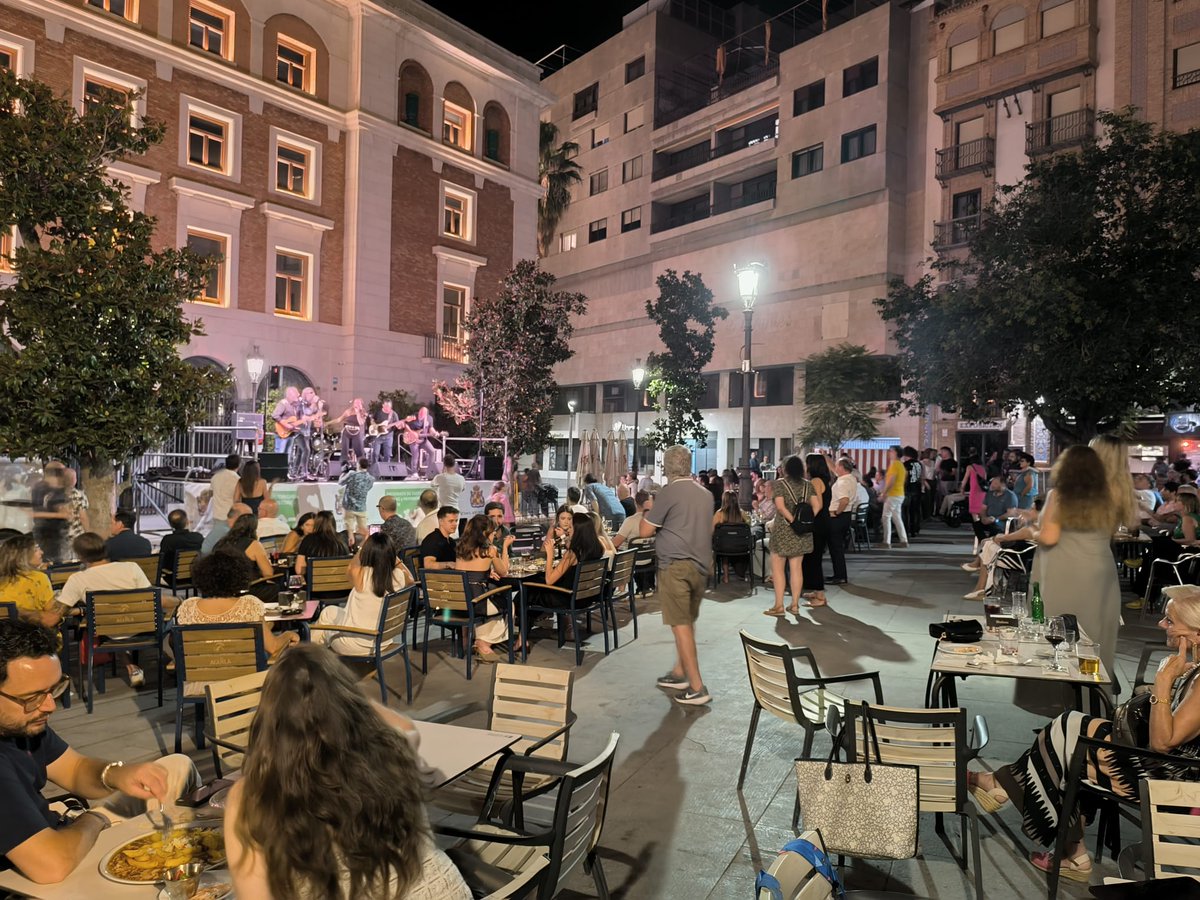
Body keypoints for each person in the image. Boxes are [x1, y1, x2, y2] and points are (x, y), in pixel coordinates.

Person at [966, 585, 1200, 882]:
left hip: (1166, 779)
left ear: (1196, 634)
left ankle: (1061, 841)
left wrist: (1163, 682)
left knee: (1066, 741)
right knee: (1071, 729)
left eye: (1170, 620)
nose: (1161, 624)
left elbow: (1163, 743)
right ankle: (1065, 846)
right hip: (1157, 763)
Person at [223, 643, 471, 900]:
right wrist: (347, 697)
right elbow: (408, 728)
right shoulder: (390, 750)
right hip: (448, 891)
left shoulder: (250, 798)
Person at [0, 619, 199, 883]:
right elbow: (52, 866)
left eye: (53, 690)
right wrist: (95, 819)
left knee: (175, 767)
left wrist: (115, 774)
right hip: (40, 871)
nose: (50, 706)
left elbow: (73, 768)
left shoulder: (20, 723)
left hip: (60, 832)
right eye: (33, 697)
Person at [1029, 443, 1129, 676]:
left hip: (1064, 569)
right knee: (1095, 628)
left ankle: (1059, 682)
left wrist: (1032, 532)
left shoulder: (1059, 496)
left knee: (1058, 626)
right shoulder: (1111, 496)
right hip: (1100, 569)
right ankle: (1094, 683)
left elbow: (1049, 537)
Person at [640, 445, 715, 706]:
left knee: (681, 626)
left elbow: (645, 531)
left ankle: (697, 687)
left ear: (667, 467)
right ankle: (679, 672)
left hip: (675, 566)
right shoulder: (705, 494)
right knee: (688, 622)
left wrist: (650, 508)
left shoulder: (669, 492)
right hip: (700, 565)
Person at [55, 533, 152, 686]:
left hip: (107, 632)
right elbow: (151, 598)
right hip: (141, 627)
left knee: (106, 625)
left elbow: (59, 611)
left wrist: (81, 611)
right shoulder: (131, 567)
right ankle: (134, 667)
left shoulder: (78, 579)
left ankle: (131, 667)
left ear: (80, 556)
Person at [176, 550, 297, 659]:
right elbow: (273, 647)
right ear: (238, 577)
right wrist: (288, 634)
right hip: (245, 676)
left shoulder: (188, 607)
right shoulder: (248, 605)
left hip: (199, 675)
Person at [313, 533, 413, 656]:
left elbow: (351, 567)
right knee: (328, 612)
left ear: (367, 552)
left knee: (323, 630)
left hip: (354, 645)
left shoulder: (364, 574)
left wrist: (362, 548)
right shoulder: (398, 575)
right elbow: (411, 580)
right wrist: (391, 555)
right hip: (383, 641)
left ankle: (309, 655)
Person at [764, 455, 822, 617]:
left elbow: (780, 507)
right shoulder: (808, 485)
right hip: (801, 533)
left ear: (785, 469)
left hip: (783, 530)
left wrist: (793, 521)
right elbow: (817, 506)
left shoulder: (780, 484)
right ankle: (795, 605)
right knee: (797, 568)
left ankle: (779, 606)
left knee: (778, 569)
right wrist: (805, 521)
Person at [452, 515, 515, 662]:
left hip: (459, 603)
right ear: (485, 533)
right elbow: (504, 571)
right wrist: (505, 548)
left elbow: (469, 572)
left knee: (492, 600)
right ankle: (483, 642)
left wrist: (487, 572)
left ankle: (477, 641)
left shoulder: (461, 549)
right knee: (509, 604)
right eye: (493, 532)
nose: (494, 535)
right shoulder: (489, 550)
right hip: (477, 603)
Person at [213, 514, 280, 603]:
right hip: (246, 590)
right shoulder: (254, 545)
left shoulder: (219, 544)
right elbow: (268, 572)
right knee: (277, 588)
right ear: (254, 529)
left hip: (221, 590)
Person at [0, 535, 56, 627]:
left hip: (5, 633)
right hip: (32, 633)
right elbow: (52, 617)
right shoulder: (37, 578)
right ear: (23, 555)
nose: (41, 552)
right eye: (36, 549)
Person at [801, 454, 833, 606]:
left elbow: (817, 505)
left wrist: (807, 519)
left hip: (817, 524)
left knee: (813, 559)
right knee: (815, 557)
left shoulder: (815, 481)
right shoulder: (825, 480)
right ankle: (816, 590)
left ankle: (820, 595)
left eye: (807, 463)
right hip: (824, 521)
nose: (805, 467)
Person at [827, 457, 858, 585]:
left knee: (836, 548)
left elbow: (844, 500)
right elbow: (834, 470)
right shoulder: (851, 478)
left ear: (841, 467)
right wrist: (825, 457)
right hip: (846, 516)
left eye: (837, 465)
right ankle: (838, 574)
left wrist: (836, 512)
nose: (835, 467)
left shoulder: (842, 482)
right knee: (837, 548)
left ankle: (840, 576)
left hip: (838, 517)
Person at [30, 463, 68, 563]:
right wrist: (59, 514)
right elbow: (37, 513)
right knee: (50, 560)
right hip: (47, 532)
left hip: (57, 532)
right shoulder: (41, 488)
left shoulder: (59, 488)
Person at [294, 510, 349, 577]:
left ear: (316, 523)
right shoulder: (343, 539)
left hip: (315, 582)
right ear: (333, 523)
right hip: (340, 582)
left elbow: (299, 570)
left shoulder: (308, 540)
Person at [712, 490, 749, 583]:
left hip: (723, 547)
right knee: (729, 543)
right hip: (740, 547)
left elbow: (712, 531)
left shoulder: (719, 514)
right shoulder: (742, 514)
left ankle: (726, 577)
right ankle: (742, 573)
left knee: (724, 544)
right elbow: (749, 527)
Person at [338, 457, 375, 551]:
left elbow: (340, 482)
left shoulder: (352, 474)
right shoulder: (371, 478)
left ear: (358, 464)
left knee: (349, 531)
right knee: (364, 531)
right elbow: (367, 489)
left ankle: (350, 549)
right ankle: (363, 548)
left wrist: (343, 472)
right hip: (361, 507)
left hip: (349, 507)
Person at [158, 509, 204, 577]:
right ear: (187, 522)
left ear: (171, 524)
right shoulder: (198, 537)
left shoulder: (168, 540)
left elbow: (162, 561)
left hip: (173, 577)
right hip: (194, 575)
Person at [881, 446, 909, 549]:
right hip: (900, 493)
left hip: (892, 494)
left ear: (896, 453)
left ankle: (886, 541)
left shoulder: (894, 465)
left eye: (891, 451)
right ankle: (903, 540)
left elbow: (891, 481)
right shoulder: (901, 465)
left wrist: (884, 493)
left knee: (886, 517)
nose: (889, 453)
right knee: (897, 517)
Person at [331, 397, 369, 468]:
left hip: (356, 432)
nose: (356, 404)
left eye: (358, 403)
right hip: (347, 431)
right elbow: (339, 419)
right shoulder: (348, 411)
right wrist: (328, 423)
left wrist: (358, 413)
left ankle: (361, 467)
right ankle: (343, 467)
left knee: (359, 451)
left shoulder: (364, 413)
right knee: (344, 451)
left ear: (361, 405)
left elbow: (361, 422)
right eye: (355, 403)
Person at [406, 406, 443, 478]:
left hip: (423, 440)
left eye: (422, 414)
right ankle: (414, 472)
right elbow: (406, 425)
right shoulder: (414, 416)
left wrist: (435, 433)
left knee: (432, 451)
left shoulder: (429, 418)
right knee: (415, 455)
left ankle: (429, 471)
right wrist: (412, 433)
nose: (420, 415)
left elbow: (431, 428)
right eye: (420, 413)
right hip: (413, 440)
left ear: (426, 414)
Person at [61, 469, 89, 550]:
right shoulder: (79, 495)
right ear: (74, 480)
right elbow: (83, 517)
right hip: (76, 536)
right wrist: (88, 533)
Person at [270, 387, 302, 456]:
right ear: (289, 395)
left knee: (288, 455)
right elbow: (275, 415)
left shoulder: (295, 405)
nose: (298, 395)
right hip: (282, 434)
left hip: (290, 433)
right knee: (280, 454)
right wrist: (286, 425)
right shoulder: (283, 403)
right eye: (295, 394)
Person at [209, 453, 241, 522]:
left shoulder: (215, 477)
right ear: (239, 465)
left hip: (217, 514)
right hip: (231, 516)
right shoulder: (238, 479)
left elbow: (211, 492)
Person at [371, 399, 402, 465]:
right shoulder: (378, 412)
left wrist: (399, 426)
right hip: (378, 436)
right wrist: (374, 425)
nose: (388, 408)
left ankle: (386, 468)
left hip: (388, 436)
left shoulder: (393, 414)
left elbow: (398, 425)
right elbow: (372, 419)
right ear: (383, 405)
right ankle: (374, 467)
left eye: (389, 406)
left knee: (387, 454)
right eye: (386, 406)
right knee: (375, 453)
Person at [902, 446, 923, 537]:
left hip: (908, 489)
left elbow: (905, 477)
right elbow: (921, 477)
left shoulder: (906, 464)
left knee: (906, 511)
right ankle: (915, 528)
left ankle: (907, 529)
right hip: (917, 488)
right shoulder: (919, 464)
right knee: (915, 510)